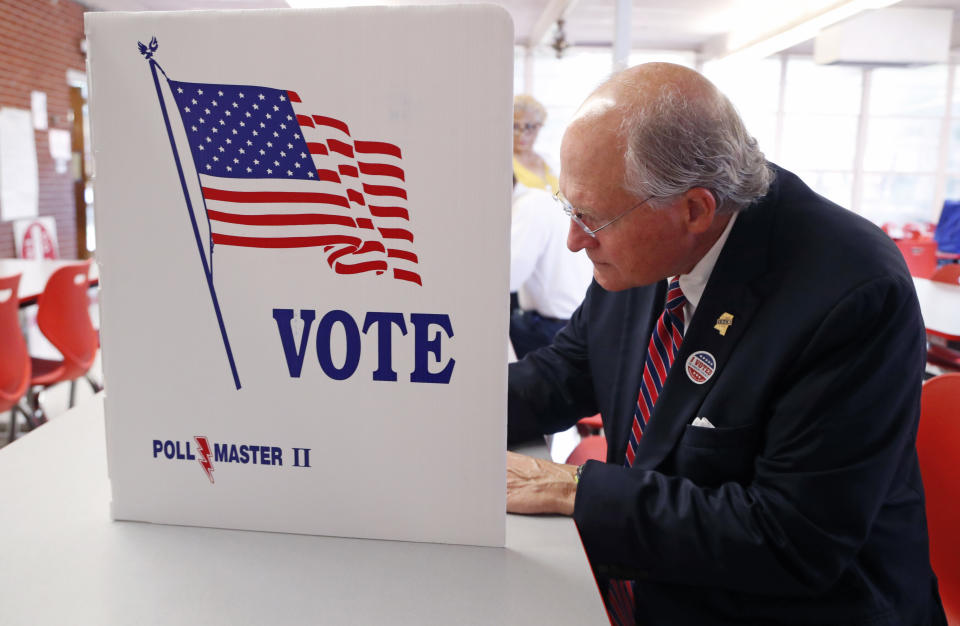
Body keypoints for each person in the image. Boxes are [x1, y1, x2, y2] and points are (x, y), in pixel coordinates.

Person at [506, 63, 946, 625]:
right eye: (571, 208)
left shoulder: (851, 293)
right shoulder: (643, 234)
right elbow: (565, 374)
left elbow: (790, 539)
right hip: (661, 574)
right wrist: (431, 410)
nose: (574, 240)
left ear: (694, 210)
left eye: (591, 217)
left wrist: (575, 487)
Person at [509, 179, 593, 361]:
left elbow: (508, 278)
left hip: (551, 328)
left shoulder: (529, 206)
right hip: (575, 318)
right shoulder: (543, 200)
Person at [512, 94, 558, 193]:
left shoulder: (549, 160)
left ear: (539, 127)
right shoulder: (506, 164)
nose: (522, 134)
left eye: (529, 127)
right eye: (515, 126)